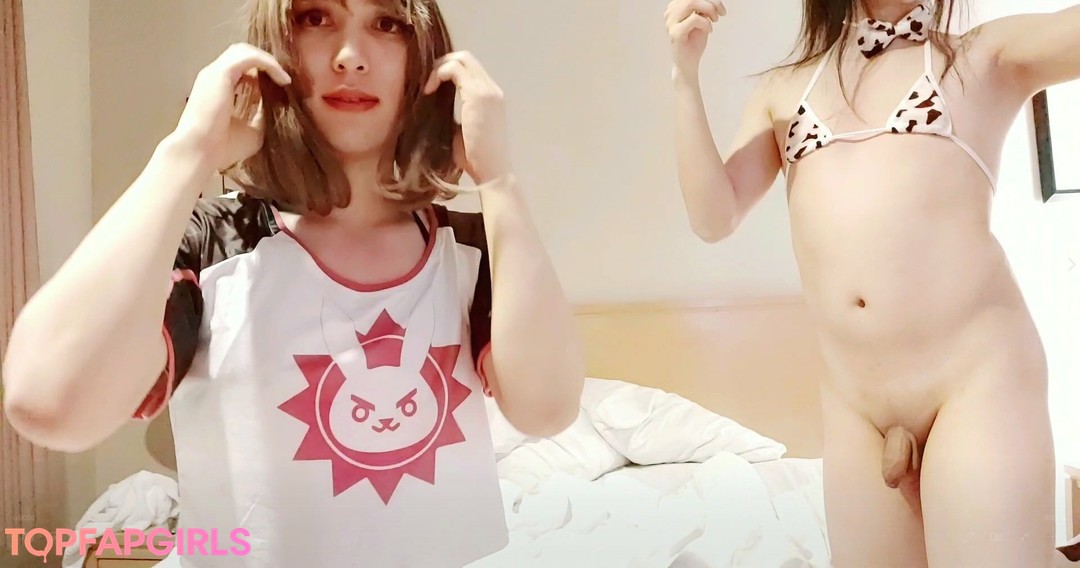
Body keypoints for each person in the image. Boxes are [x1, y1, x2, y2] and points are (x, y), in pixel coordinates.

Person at [2, 0, 584, 566]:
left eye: (387, 23)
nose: (350, 56)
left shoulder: (473, 249)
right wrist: (187, 153)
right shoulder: (214, 244)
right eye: (315, 18)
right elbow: (49, 403)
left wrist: (499, 179)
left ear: (424, 60)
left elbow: (547, 410)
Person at [664, 0, 1079, 566]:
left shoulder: (982, 57)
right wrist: (684, 74)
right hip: (855, 404)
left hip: (974, 381)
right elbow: (713, 218)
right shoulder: (781, 90)